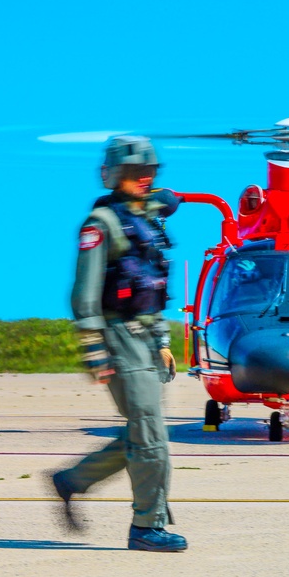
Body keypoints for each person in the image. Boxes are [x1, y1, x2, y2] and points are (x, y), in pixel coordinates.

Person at [48, 135, 187, 552]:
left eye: (149, 171)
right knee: (151, 436)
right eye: (134, 172)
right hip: (118, 338)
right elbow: (84, 296)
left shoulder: (147, 218)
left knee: (143, 433)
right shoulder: (101, 226)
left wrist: (162, 340)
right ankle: (147, 526)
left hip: (145, 338)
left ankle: (74, 480)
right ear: (114, 175)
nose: (144, 178)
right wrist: (94, 350)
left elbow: (153, 288)